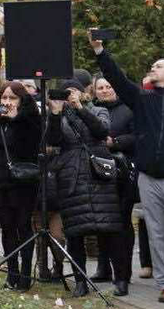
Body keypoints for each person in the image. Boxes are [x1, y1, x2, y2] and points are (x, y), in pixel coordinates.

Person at [92, 38, 164, 304]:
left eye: (158, 66)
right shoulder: (142, 101)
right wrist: (100, 51)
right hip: (149, 179)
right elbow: (118, 79)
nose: (152, 68)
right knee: (156, 233)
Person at [45, 80, 128, 297]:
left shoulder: (97, 109)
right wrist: (54, 114)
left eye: (74, 91)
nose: (70, 96)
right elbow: (52, 141)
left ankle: (121, 279)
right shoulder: (58, 114)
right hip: (71, 176)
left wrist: (79, 108)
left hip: (98, 173)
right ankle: (80, 281)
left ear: (84, 93)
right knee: (75, 232)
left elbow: (101, 131)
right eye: (67, 92)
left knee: (110, 228)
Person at [0, 81, 40, 289]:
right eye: (4, 97)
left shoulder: (30, 119)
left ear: (22, 100)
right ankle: (12, 272)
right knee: (7, 228)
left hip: (22, 182)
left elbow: (31, 146)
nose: (7, 102)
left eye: (12, 98)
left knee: (23, 226)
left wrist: (16, 120)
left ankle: (25, 274)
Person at [93, 74, 136, 293]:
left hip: (122, 172)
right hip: (98, 173)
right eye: (100, 87)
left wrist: (115, 142)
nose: (105, 90)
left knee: (121, 222)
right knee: (101, 220)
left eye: (108, 86)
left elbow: (137, 136)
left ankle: (124, 272)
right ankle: (103, 267)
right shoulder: (92, 110)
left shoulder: (129, 109)